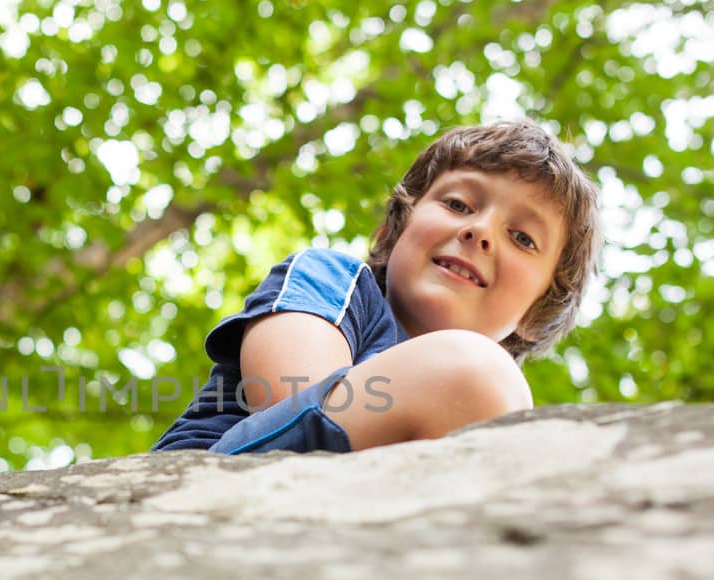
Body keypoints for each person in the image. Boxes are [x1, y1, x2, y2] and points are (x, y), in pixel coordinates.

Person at [153, 119, 600, 455]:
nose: (480, 231)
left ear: (537, 312)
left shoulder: (499, 404)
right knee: (477, 377)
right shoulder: (334, 281)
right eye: (458, 203)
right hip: (223, 479)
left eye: (522, 238)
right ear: (393, 230)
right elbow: (286, 397)